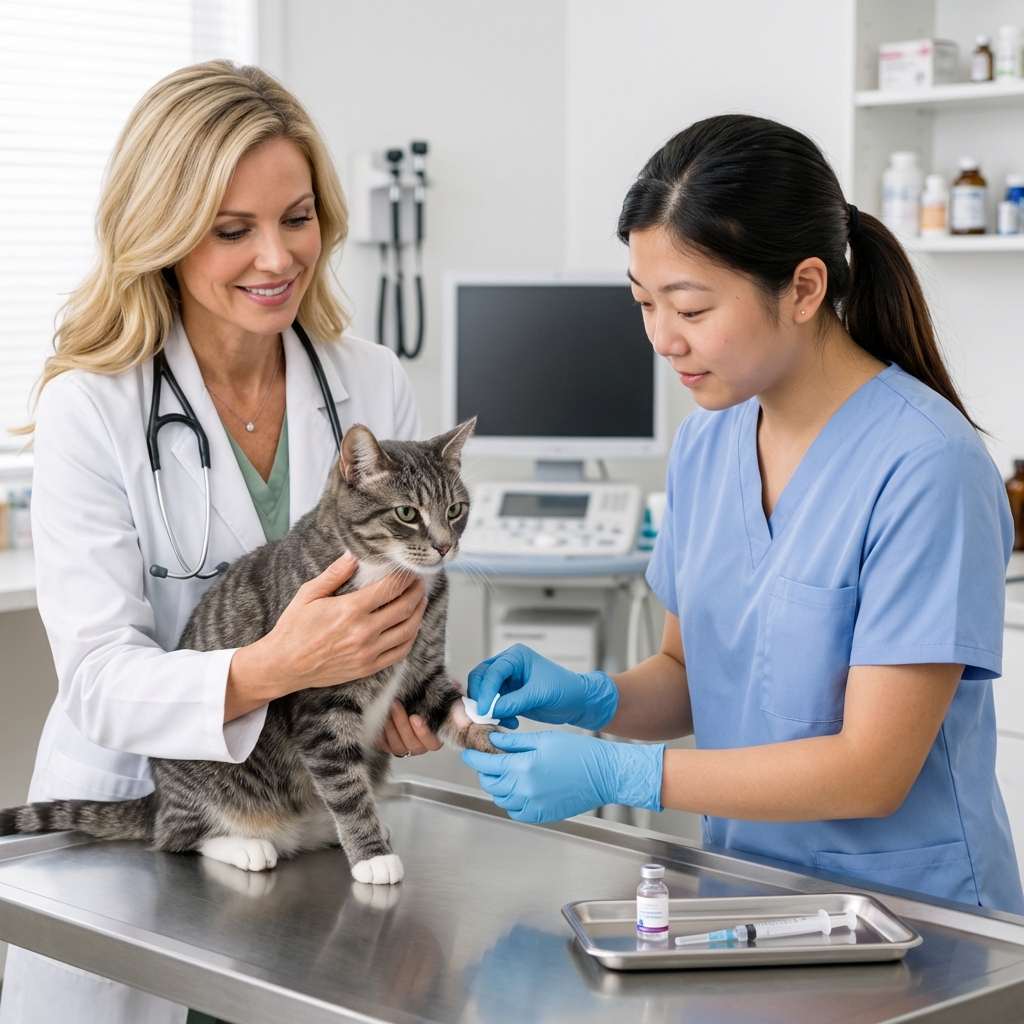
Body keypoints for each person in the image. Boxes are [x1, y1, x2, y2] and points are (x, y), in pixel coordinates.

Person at [461, 114, 1024, 915]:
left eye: (689, 309)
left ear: (802, 288)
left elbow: (873, 767)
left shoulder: (927, 465)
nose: (662, 338)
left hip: (913, 922)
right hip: (747, 897)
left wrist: (625, 776)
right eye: (644, 303)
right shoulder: (706, 445)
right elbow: (691, 678)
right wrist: (590, 698)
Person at [0, 61, 438, 1024]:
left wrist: (402, 698)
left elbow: (396, 604)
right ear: (159, 234)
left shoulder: (370, 383)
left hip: (310, 838)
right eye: (232, 230)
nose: (277, 257)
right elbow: (100, 681)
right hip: (145, 835)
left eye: (298, 217)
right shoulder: (94, 407)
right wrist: (270, 666)